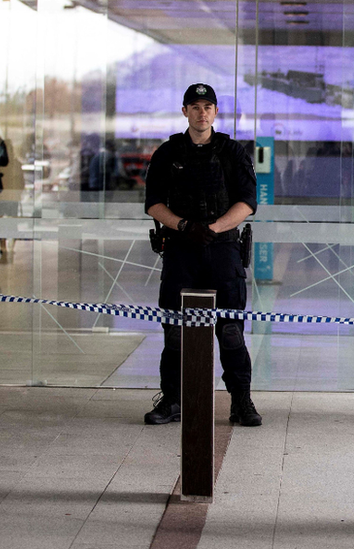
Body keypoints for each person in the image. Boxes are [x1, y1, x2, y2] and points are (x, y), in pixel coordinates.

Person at [143, 83, 261, 427]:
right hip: (181, 250)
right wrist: (183, 226)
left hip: (223, 251)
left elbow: (248, 203)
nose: (201, 112)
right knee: (176, 331)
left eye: (207, 106)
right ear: (185, 112)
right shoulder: (168, 152)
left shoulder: (231, 152)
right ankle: (174, 399)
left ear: (215, 111)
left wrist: (215, 228)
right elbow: (153, 203)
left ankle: (241, 401)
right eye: (194, 106)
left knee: (230, 332)